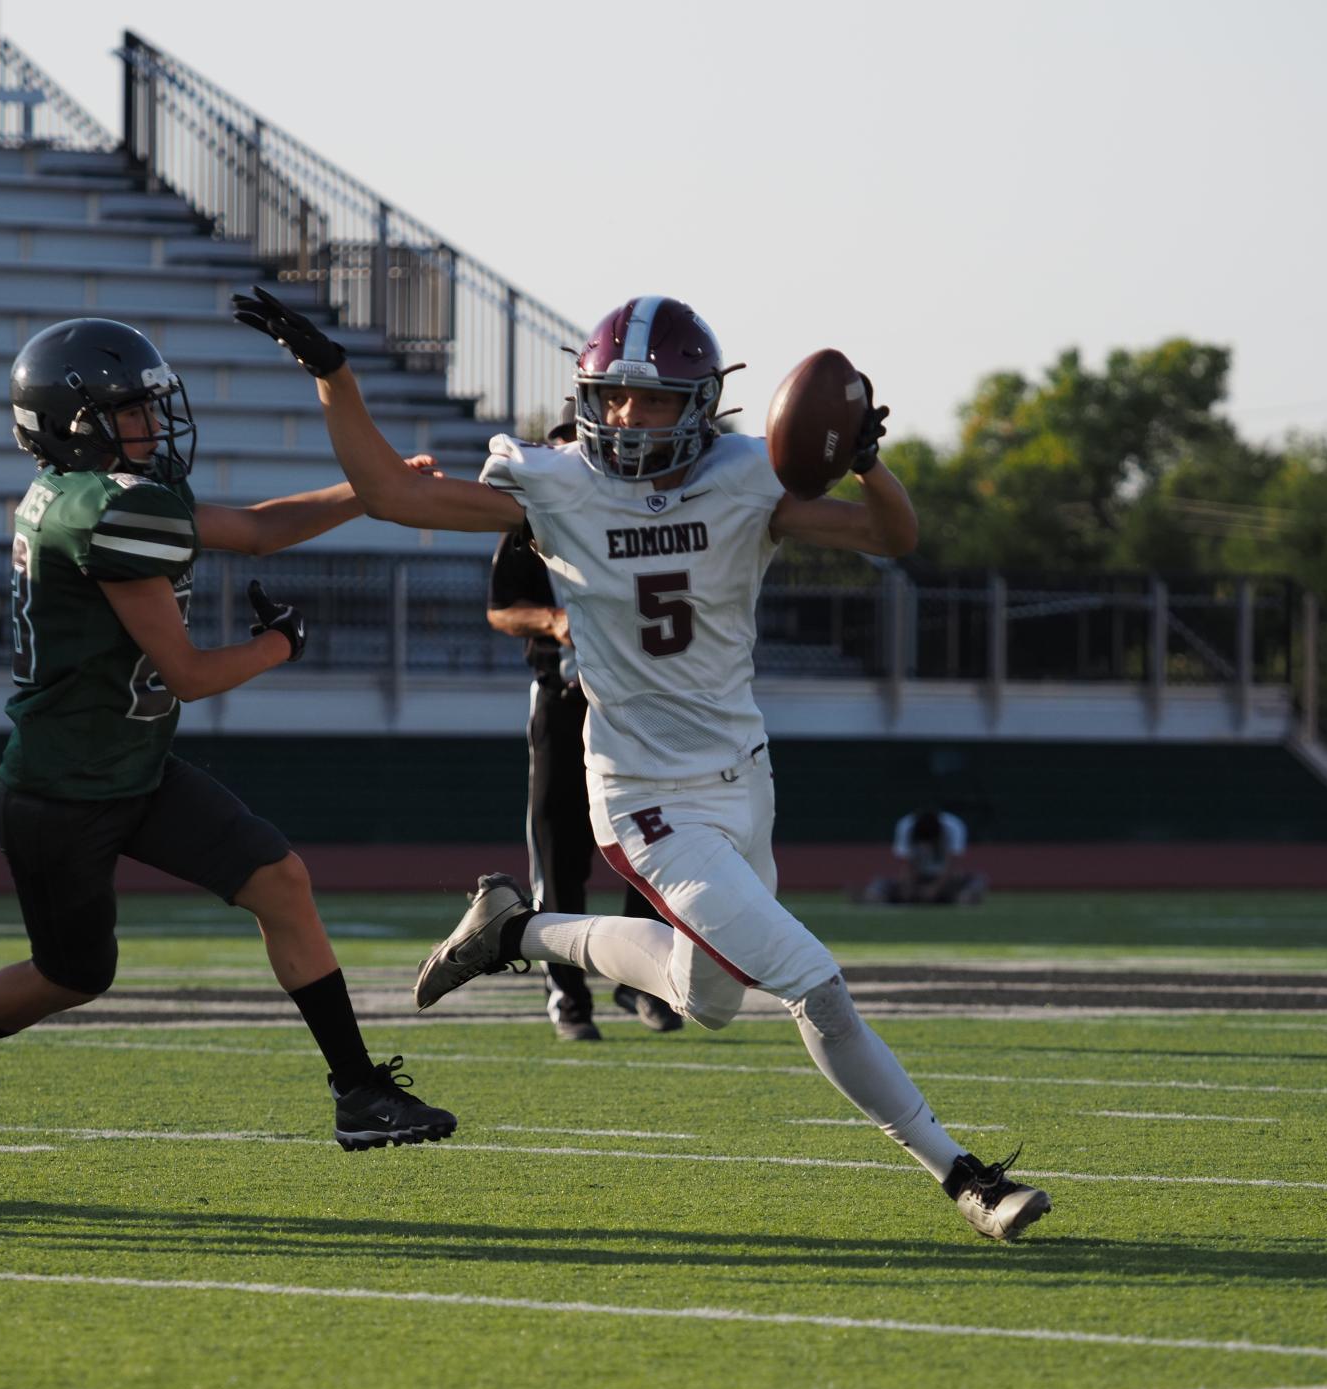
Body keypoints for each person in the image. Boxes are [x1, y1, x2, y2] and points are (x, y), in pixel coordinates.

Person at [232, 287, 1050, 1239]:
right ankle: (963, 1176)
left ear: (701, 402)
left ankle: (516, 931)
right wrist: (336, 378)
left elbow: (891, 536)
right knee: (809, 980)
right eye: (612, 397)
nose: (626, 417)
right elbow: (393, 493)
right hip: (644, 796)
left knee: (709, 1000)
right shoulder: (554, 481)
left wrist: (863, 461)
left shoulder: (748, 476)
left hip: (743, 776)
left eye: (652, 399)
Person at [0, 316, 456, 1152]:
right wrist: (276, 645)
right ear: (77, 422)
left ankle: (358, 1091)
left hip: (132, 765)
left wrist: (370, 491)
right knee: (74, 975)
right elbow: (187, 673)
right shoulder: (106, 512)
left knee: (280, 881)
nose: (152, 424)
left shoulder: (101, 493)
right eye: (133, 410)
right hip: (62, 789)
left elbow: (252, 528)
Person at [486, 399, 677, 1041]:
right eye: (568, 442)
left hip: (640, 703)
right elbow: (502, 607)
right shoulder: (532, 513)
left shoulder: (647, 509)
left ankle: (644, 979)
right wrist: (553, 621)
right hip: (565, 699)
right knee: (560, 852)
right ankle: (568, 994)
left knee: (654, 847)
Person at [861, 808, 988, 905]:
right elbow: (906, 864)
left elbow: (951, 866)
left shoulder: (954, 827)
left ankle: (958, 898)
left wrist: (934, 889)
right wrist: (909, 887)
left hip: (947, 881)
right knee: (881, 883)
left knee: (976, 881)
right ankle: (873, 896)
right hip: (918, 878)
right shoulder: (905, 827)